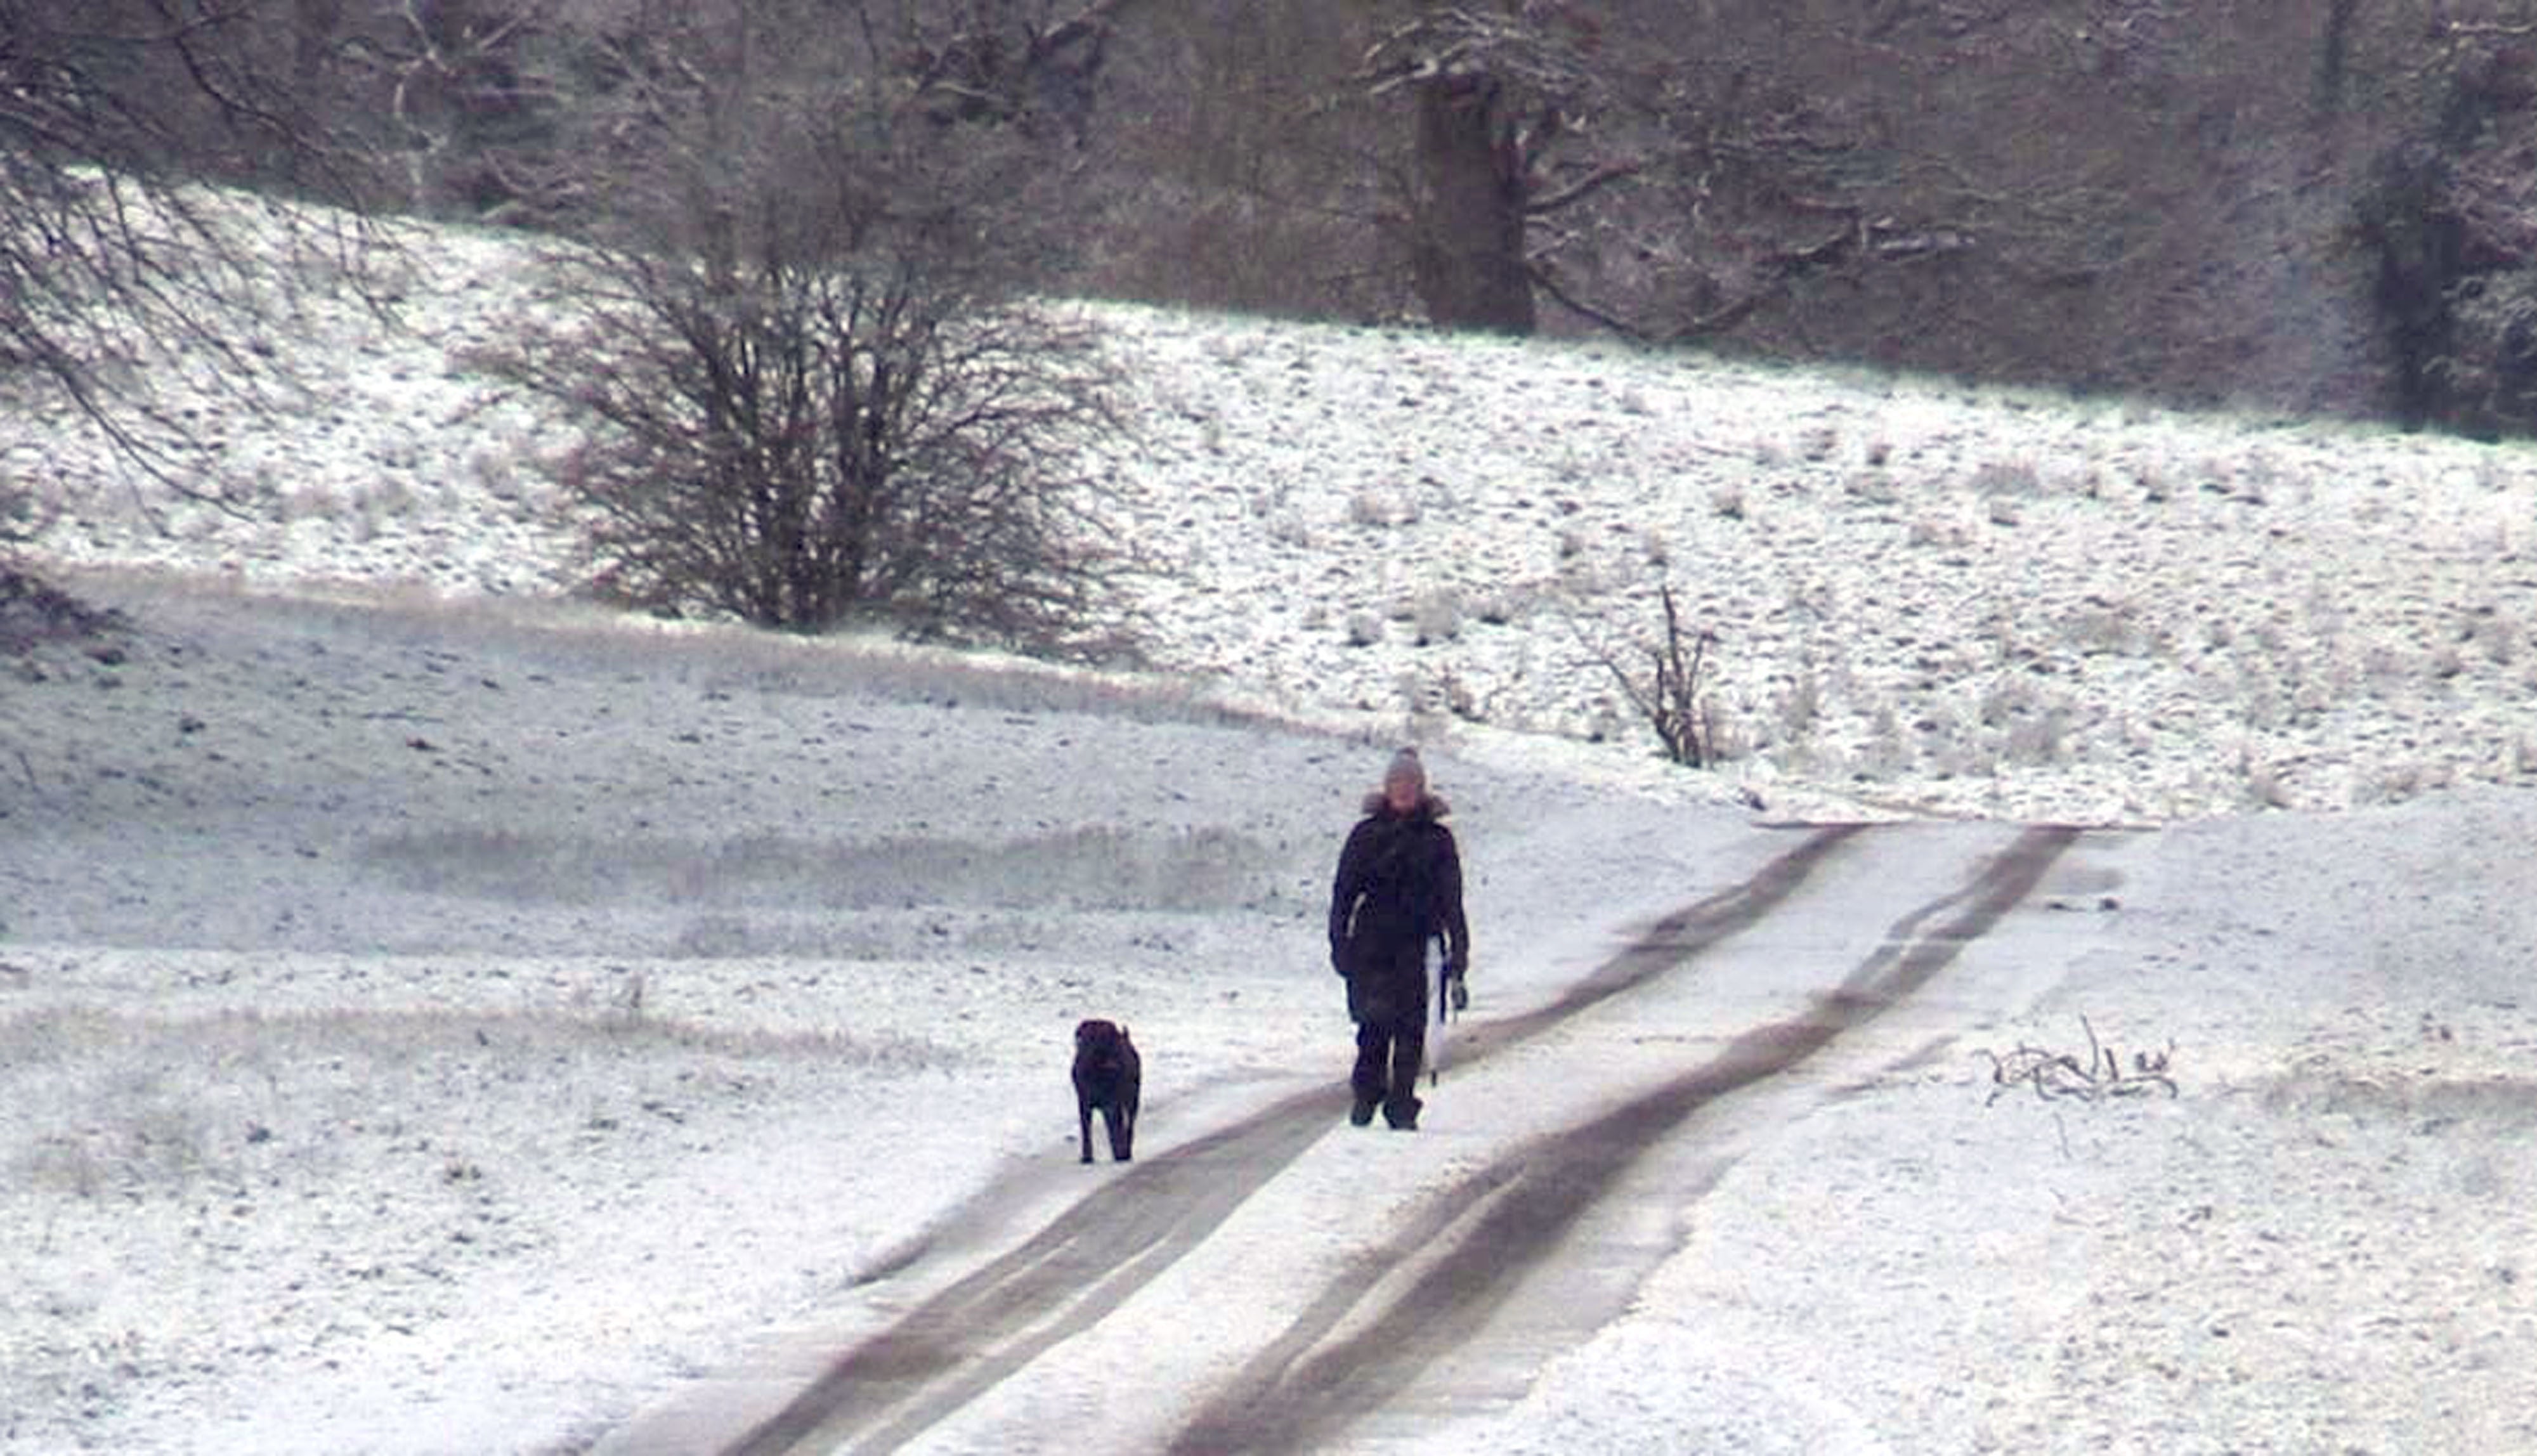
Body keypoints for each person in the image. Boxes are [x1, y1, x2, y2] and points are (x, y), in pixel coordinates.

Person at [1327, 746, 1470, 1130]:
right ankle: (1366, 1094)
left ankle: (1401, 1105)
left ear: (1421, 789)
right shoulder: (1366, 835)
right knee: (1373, 1026)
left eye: (1411, 783)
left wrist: (1459, 953)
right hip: (1372, 944)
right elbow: (1344, 892)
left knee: (1411, 1030)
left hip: (1419, 947)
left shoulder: (1439, 840)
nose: (1404, 790)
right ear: (1387, 788)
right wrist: (1339, 943)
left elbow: (1452, 899)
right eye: (1397, 783)